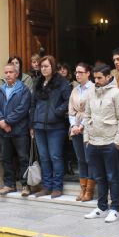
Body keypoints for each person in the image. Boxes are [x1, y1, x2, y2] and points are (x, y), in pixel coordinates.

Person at [83, 64, 119, 223]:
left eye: (99, 77)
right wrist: (86, 139)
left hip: (110, 142)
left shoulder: (117, 94)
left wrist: (117, 142)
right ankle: (101, 207)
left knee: (113, 177)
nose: (96, 80)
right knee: (99, 177)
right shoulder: (90, 93)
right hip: (93, 142)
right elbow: (86, 116)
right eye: (94, 78)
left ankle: (115, 208)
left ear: (109, 77)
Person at [30, 55, 71, 199]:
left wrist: (57, 112)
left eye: (46, 66)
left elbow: (68, 100)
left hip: (56, 126)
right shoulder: (38, 82)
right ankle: (46, 186)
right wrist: (32, 124)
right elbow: (33, 104)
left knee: (55, 156)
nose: (43, 69)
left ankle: (57, 187)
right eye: (41, 66)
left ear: (52, 67)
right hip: (39, 126)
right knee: (44, 157)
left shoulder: (62, 83)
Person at [0, 62, 32, 196]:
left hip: (19, 130)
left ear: (16, 74)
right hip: (4, 131)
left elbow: (22, 109)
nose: (8, 74)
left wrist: (7, 121)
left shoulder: (24, 89)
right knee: (6, 158)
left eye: (11, 72)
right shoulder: (1, 89)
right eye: (6, 72)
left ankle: (25, 185)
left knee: (23, 158)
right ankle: (9, 184)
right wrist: (1, 122)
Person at [68, 62, 95, 201]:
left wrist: (82, 125)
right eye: (76, 72)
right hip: (76, 127)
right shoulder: (75, 90)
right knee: (80, 159)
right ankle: (82, 188)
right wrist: (73, 126)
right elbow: (71, 109)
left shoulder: (93, 88)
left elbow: (92, 109)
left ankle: (90, 190)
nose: (77, 75)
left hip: (88, 125)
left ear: (88, 73)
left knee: (89, 158)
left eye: (80, 72)